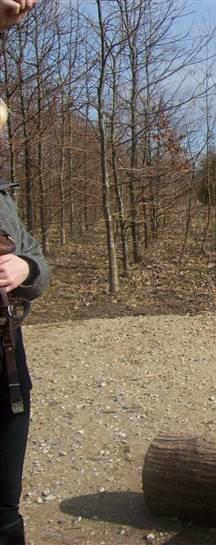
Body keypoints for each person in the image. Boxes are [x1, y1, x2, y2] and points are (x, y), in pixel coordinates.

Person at [0, 3, 48, 544]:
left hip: (8, 367)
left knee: (5, 508)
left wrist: (25, 266)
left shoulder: (2, 199)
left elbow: (40, 261)